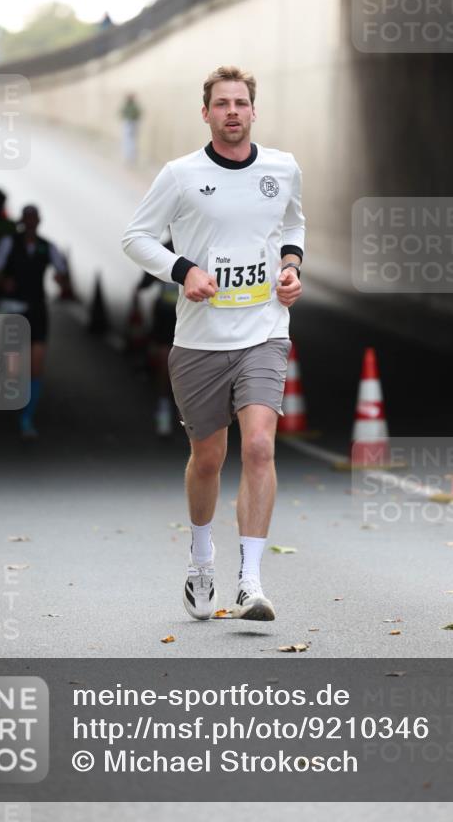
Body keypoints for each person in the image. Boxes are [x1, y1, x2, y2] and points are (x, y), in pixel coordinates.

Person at [122, 66, 305, 621]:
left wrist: (292, 267)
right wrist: (184, 271)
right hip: (200, 339)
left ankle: (250, 581)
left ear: (254, 111)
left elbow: (292, 227)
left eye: (241, 102)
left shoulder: (283, 168)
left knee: (258, 447)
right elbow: (136, 238)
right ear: (205, 113)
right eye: (221, 103)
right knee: (208, 458)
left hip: (265, 330)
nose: (232, 111)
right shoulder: (180, 175)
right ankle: (202, 561)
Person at [0, 204, 71, 439]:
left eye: (35, 219)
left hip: (37, 309)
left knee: (36, 367)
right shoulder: (8, 243)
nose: (31, 223)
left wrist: (61, 280)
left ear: (39, 221)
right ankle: (13, 395)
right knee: (13, 368)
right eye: (27, 219)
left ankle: (27, 418)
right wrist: (2, 282)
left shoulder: (48, 247)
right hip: (13, 309)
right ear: (22, 221)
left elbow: (64, 276)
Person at [131, 239, 178, 437]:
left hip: (197, 316)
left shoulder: (206, 239)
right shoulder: (163, 249)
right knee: (165, 364)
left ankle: (187, 411)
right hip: (168, 314)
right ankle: (164, 409)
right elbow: (145, 282)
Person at [119, 93, 141, 166]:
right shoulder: (128, 106)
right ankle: (129, 157)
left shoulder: (133, 106)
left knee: (131, 142)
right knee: (128, 141)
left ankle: (131, 158)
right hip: (129, 124)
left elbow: (137, 114)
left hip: (132, 124)